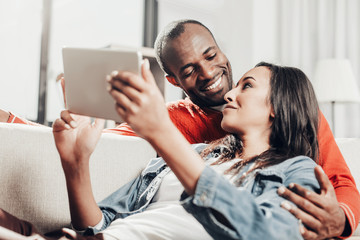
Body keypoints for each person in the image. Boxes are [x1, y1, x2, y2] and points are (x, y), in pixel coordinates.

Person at [1, 19, 359, 239]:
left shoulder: (293, 160)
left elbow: (337, 185)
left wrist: (338, 221)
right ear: (173, 80)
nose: (209, 74)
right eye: (188, 70)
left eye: (210, 55)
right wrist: (53, 146)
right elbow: (102, 207)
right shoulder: (175, 123)